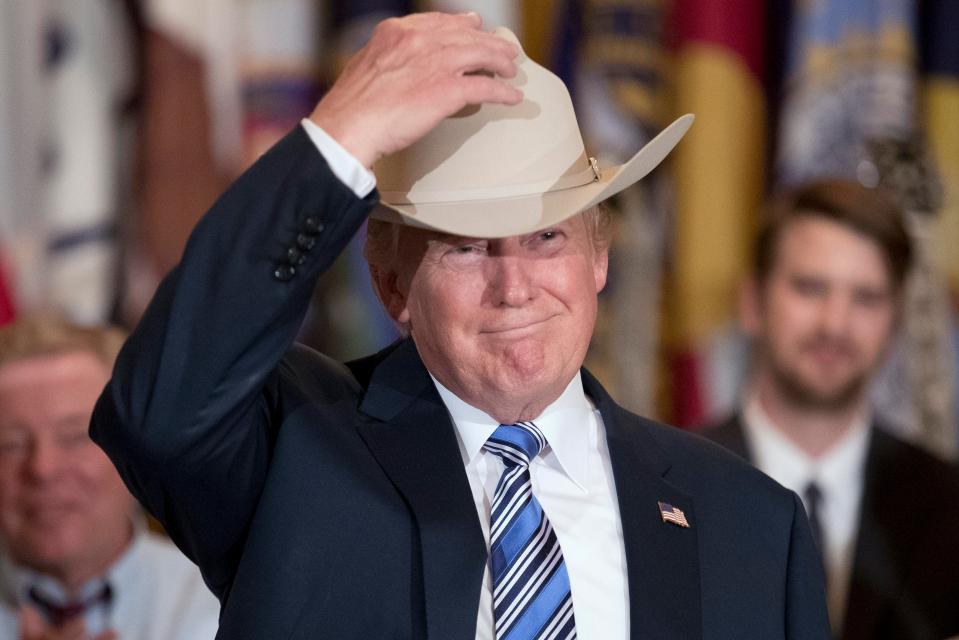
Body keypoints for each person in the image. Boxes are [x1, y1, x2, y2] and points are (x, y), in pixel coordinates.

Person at [91, 12, 830, 639]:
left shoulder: (753, 525)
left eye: (548, 238)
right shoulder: (295, 449)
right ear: (391, 285)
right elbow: (160, 405)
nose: (514, 288)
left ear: (598, 258)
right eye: (465, 248)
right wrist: (340, 138)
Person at [705, 179, 959, 639]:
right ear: (752, 303)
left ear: (896, 320)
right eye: (810, 288)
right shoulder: (668, 487)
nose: (835, 323)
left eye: (866, 298)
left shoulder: (948, 506)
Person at [0, 315, 221, 639]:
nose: (42, 469)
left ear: (136, 450)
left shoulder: (220, 608)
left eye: (76, 436)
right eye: (11, 444)